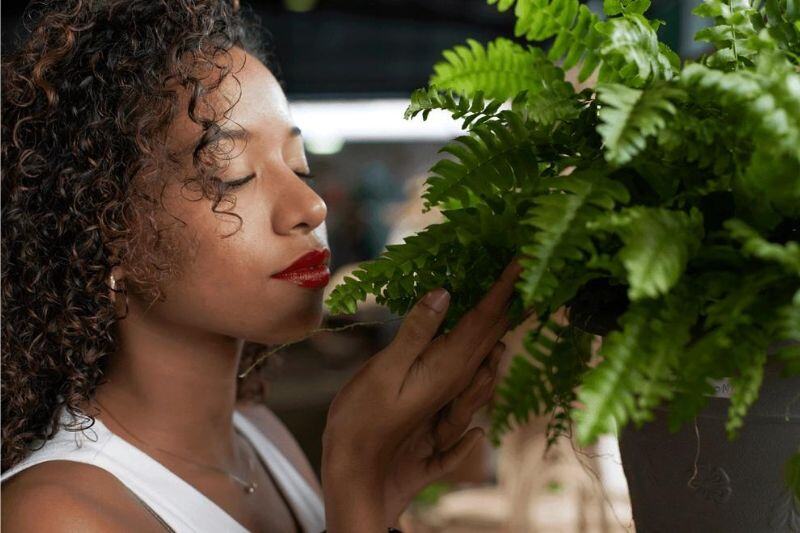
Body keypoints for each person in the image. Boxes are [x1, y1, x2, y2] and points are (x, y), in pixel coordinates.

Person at [0, 1, 524, 532]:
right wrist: (356, 477)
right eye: (233, 174)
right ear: (108, 227)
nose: (311, 208)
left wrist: (380, 498)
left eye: (300, 166)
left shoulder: (258, 435)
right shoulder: (58, 514)